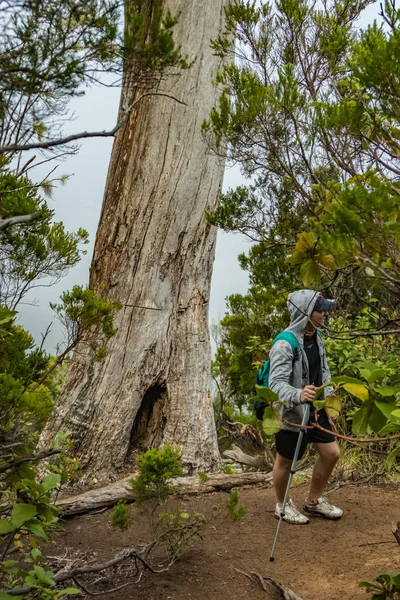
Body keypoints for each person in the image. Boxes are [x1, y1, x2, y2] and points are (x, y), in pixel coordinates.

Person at [269, 289, 343, 524]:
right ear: (306, 314)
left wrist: (330, 397)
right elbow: (275, 384)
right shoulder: (284, 343)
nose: (324, 315)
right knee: (286, 460)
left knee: (331, 453)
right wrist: (298, 394)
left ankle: (313, 501)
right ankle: (282, 505)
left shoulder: (316, 336)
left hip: (317, 408)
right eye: (320, 311)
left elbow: (323, 369)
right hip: (292, 412)